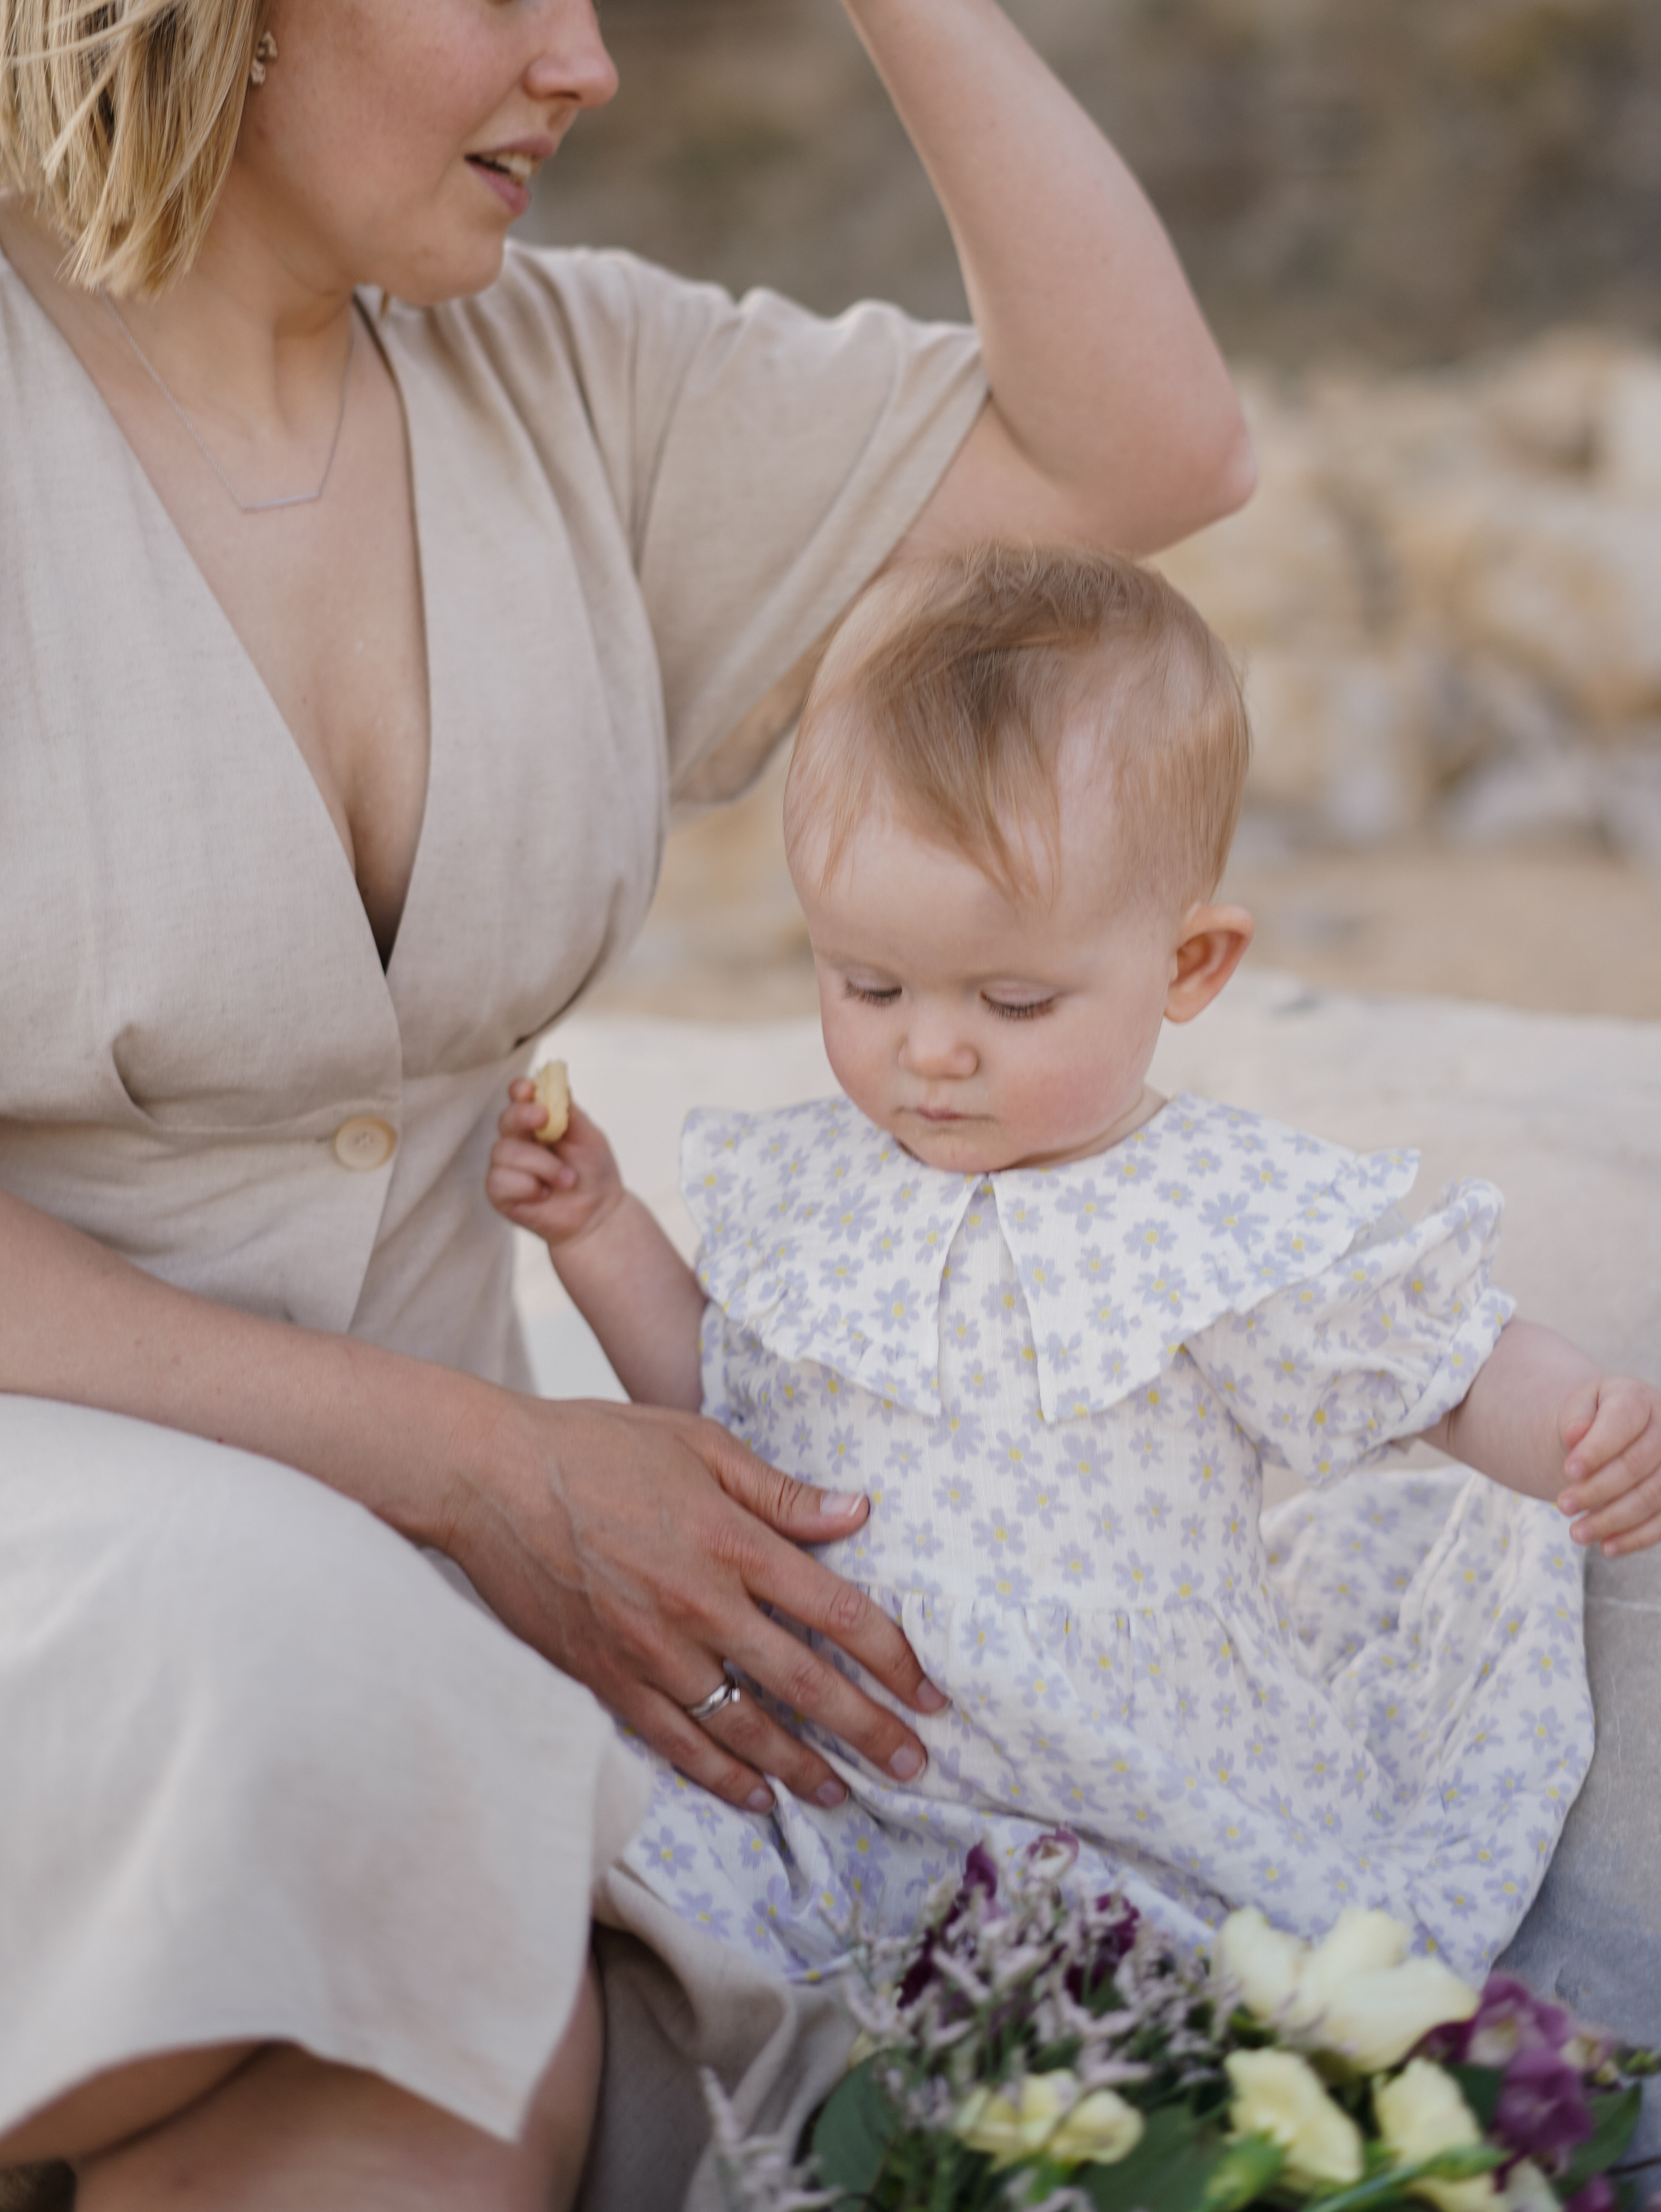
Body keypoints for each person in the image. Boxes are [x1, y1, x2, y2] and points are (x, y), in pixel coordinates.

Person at [0, 0, 1256, 2189]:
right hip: (117, 1552)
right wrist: (483, 1470)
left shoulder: (568, 381)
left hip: (421, 1632)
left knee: (475, 2078)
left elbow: (1150, 451)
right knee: (339, 1726)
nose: (582, 59)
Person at [491, 546, 1661, 1998]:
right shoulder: (818, 1188)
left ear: (1188, 967)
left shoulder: (1204, 1211)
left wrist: (1574, 1422)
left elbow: (1434, 1363)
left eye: (1013, 1000)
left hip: (1150, 1788)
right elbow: (725, 1419)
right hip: (859, 1786)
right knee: (571, 1803)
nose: (929, 1049)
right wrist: (601, 1227)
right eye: (865, 984)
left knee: (1230, 1992)